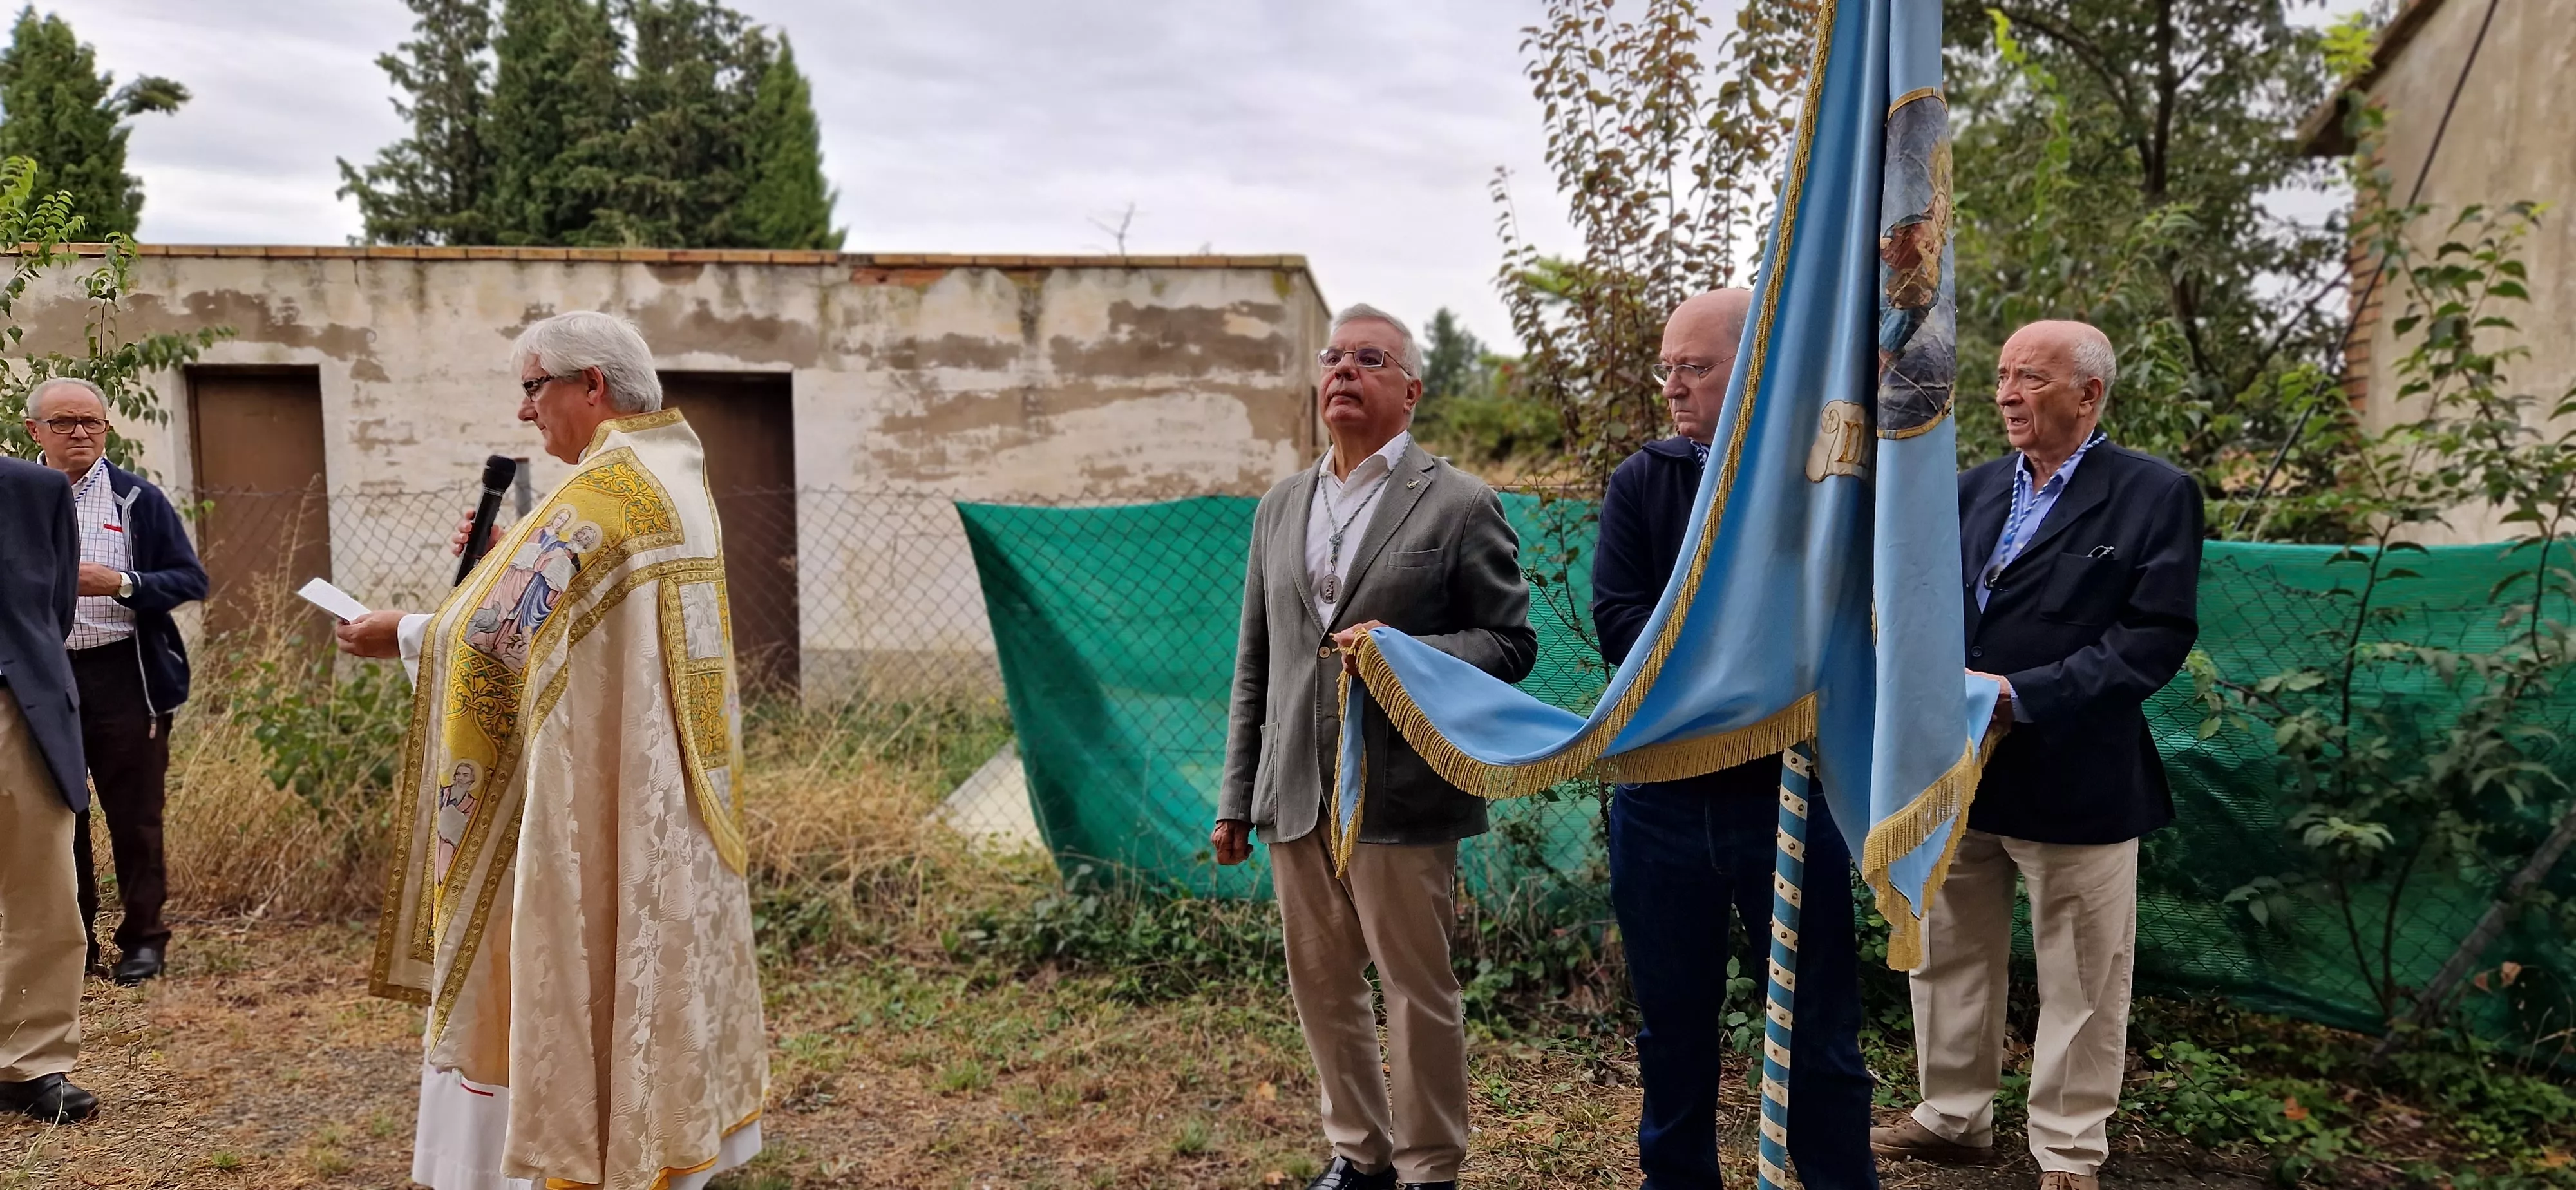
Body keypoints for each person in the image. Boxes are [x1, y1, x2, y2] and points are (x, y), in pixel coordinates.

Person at [334, 310, 766, 1190]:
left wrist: (403, 632)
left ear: (591, 385)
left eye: (534, 388)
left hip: (602, 796)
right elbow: (583, 620)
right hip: (656, 788)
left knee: (571, 959)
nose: (525, 411)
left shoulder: (603, 492)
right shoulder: (671, 474)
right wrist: (512, 556)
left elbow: (490, 636)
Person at [1872, 321, 2202, 1190]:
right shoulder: (1971, 489)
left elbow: (2152, 638)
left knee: (2083, 974)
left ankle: (2067, 1148)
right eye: (2003, 377)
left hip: (2077, 774)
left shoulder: (2154, 494)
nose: (2009, 395)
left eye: (2032, 379)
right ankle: (1953, 1116)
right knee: (1947, 949)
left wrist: (2023, 695)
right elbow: (1920, 603)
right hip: (1959, 770)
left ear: (2090, 394)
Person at [1214, 304, 1537, 1190]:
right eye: (1334, 357)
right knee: (1322, 985)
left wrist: (1404, 652)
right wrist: (1237, 796)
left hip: (1402, 790)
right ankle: (1361, 1155)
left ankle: (1430, 1167)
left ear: (1411, 390)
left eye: (1370, 358)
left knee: (1415, 988)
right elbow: (1255, 663)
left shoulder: (1459, 503)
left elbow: (1511, 645)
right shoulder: (1280, 507)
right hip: (1295, 791)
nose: (1344, 371)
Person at [1591, 290, 1880, 1190]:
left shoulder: (1819, 482)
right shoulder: (1644, 481)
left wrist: (1733, 667)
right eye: (1666, 368)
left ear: (1754, 365)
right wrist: (1741, 670)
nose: (1673, 387)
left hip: (1785, 795)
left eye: (1695, 367)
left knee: (1818, 1027)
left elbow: (1850, 620)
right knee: (1671, 1027)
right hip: (1662, 797)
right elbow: (1620, 624)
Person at [23, 377, 209, 986]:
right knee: (57, 817)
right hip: (41, 678)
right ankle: (73, 944)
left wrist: (123, 583)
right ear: (35, 432)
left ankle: (144, 941)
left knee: (135, 816)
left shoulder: (137, 499)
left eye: (92, 422)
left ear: (106, 428)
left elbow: (189, 580)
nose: (80, 433)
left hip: (125, 673)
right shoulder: (15, 498)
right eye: (64, 422)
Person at [0, 453, 97, 1122]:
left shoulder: (34, 490)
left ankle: (30, 1061)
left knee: (42, 894)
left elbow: (55, 610)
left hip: (16, 707)